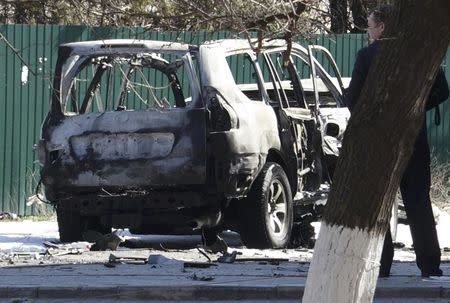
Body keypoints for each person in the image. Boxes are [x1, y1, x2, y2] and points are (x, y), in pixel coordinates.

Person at [344, 5, 449, 278]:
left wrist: (372, 116)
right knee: (418, 202)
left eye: (369, 25)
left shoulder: (367, 56)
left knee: (378, 204)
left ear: (382, 27)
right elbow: (442, 90)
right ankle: (429, 265)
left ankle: (382, 264)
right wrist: (417, 108)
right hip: (415, 138)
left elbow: (352, 97)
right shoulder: (419, 53)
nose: (367, 31)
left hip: (379, 142)